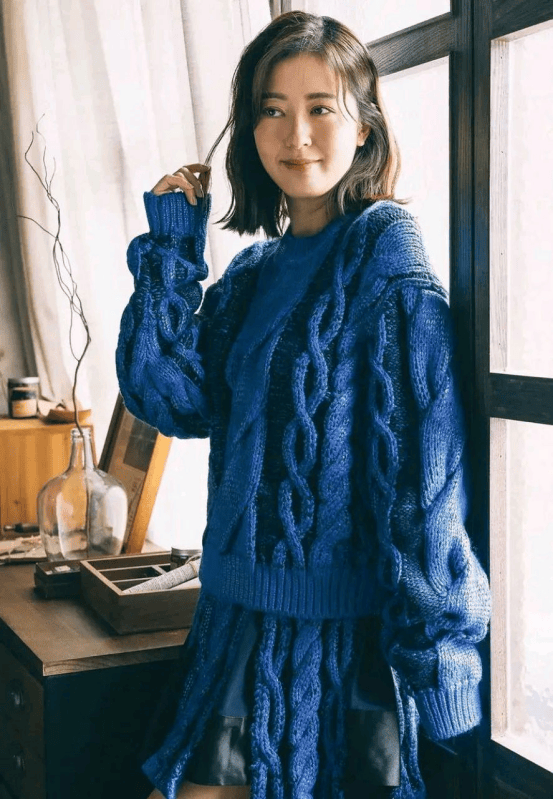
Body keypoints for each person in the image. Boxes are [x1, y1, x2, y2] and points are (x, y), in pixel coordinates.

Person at [116, 11, 491, 799]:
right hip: (229, 627)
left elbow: (421, 482)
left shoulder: (385, 252)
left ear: (364, 126)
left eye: (321, 107)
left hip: (340, 649)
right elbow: (167, 395)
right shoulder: (254, 273)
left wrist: (444, 669)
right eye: (272, 109)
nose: (297, 135)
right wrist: (172, 249)